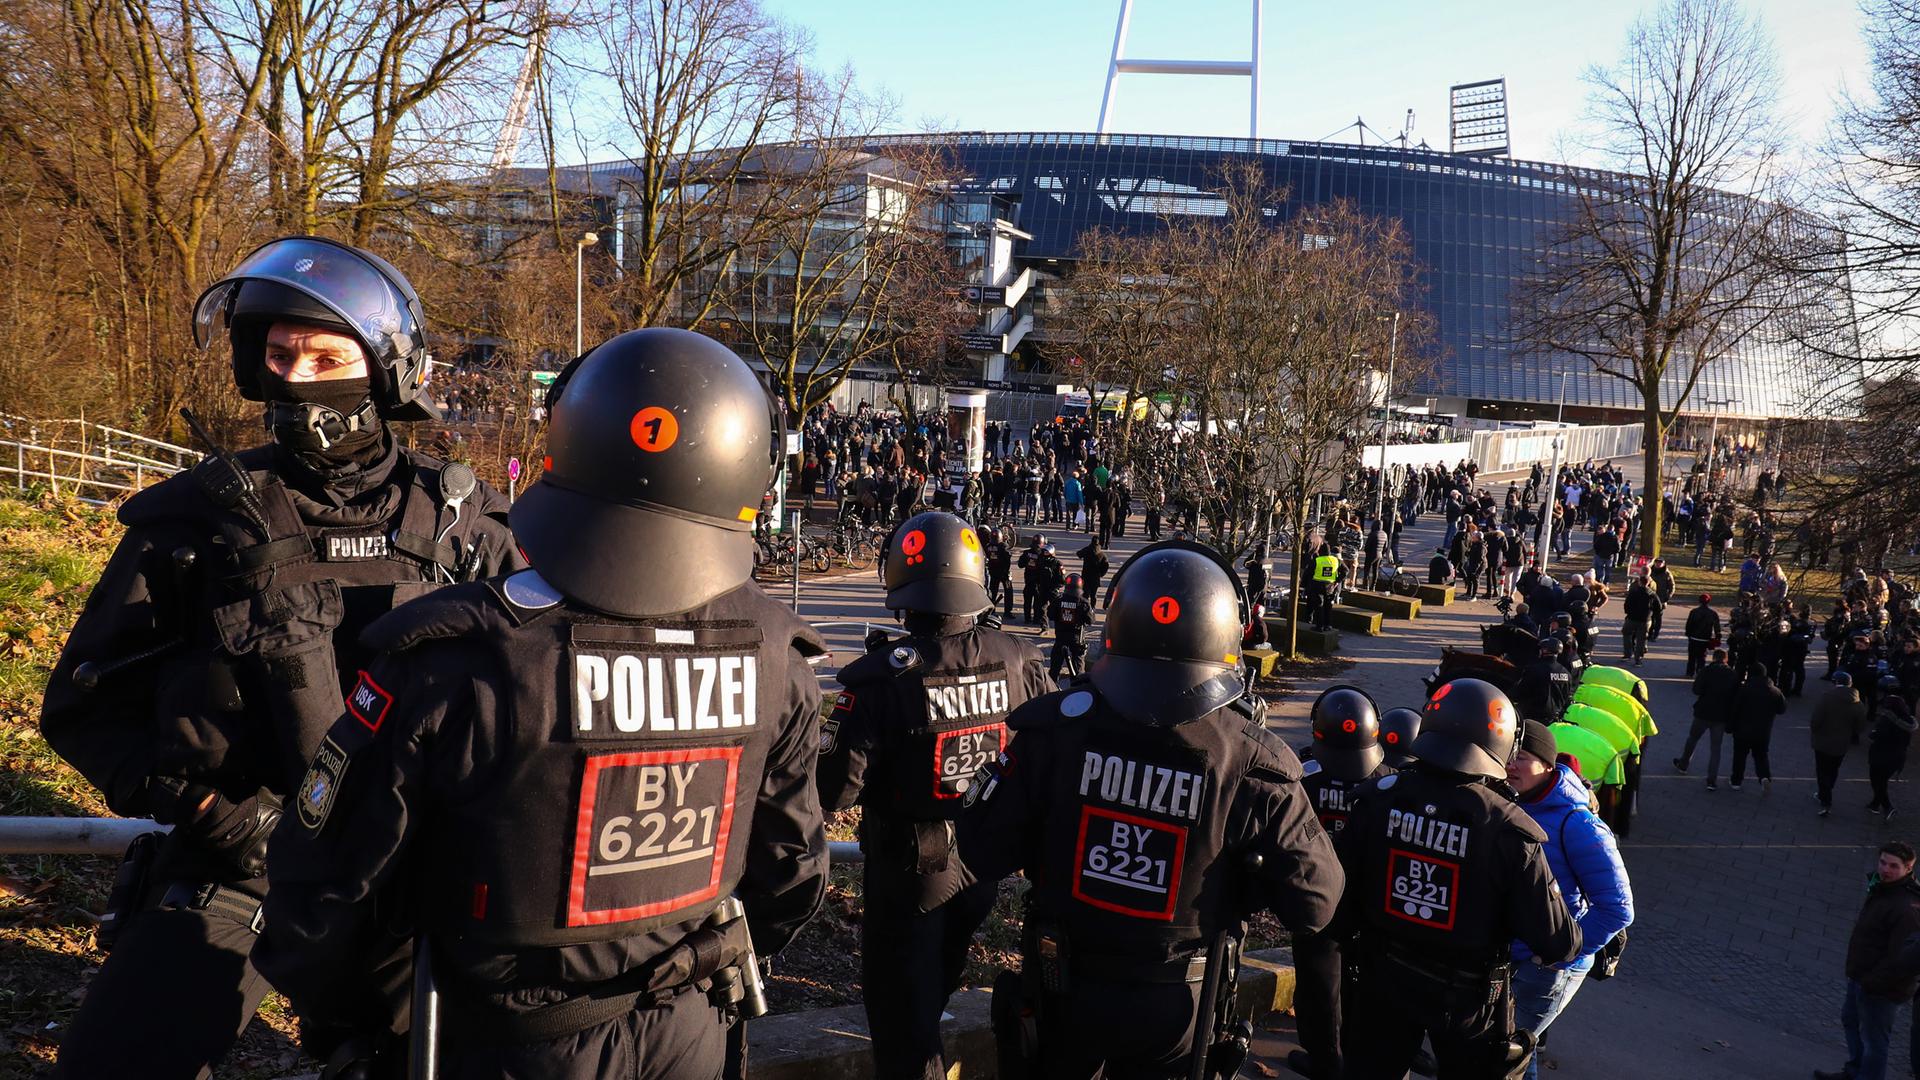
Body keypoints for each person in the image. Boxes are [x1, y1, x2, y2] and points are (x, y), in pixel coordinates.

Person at [255, 328, 828, 1078]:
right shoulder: (778, 659)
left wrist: (365, 1019)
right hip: (694, 1031)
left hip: (500, 1043)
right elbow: (791, 876)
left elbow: (321, 889)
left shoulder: (454, 659)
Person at [40, 236, 523, 1079]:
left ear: (385, 368)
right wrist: (208, 813)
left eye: (327, 355)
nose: (299, 379)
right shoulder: (195, 524)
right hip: (239, 867)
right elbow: (81, 708)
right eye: (280, 354)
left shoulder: (469, 530)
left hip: (407, 879)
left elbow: (536, 707)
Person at [960, 541, 1344, 1078]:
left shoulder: (1051, 732)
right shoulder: (1255, 764)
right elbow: (1317, 903)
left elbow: (978, 845)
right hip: (1177, 1010)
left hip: (1061, 994)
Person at [817, 510, 1052, 1080]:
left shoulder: (882, 679)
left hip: (910, 875)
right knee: (935, 985)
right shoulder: (1016, 658)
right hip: (984, 866)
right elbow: (1046, 746)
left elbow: (835, 789)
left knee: (905, 1027)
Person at [1336, 678, 1581, 1078]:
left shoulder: (1376, 799)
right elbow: (1554, 939)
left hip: (1382, 981)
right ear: (1501, 742)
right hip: (1469, 1004)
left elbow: (1338, 901)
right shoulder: (1509, 829)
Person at [1504, 721, 1634, 1080]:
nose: (1512, 764)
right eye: (1510, 755)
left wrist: (1563, 951)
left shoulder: (1575, 822)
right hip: (1516, 954)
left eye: (1523, 757)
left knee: (1510, 1049)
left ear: (1547, 765)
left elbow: (1618, 906)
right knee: (1513, 1048)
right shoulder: (1515, 800)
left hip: (1547, 966)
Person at [1288, 686, 1394, 1080]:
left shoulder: (1302, 775)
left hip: (1315, 900)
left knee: (1317, 988)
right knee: (1365, 984)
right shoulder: (1389, 782)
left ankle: (1325, 1061)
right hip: (1369, 904)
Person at [1814, 843, 1920, 1080]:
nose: (1885, 869)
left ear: (1909, 867)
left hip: (1881, 988)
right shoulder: (1885, 889)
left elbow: (1903, 959)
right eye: (1883, 862)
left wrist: (1872, 983)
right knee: (1851, 1021)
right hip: (1863, 977)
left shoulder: (1907, 908)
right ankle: (1855, 1071)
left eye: (1894, 866)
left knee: (1874, 1042)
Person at [1675, 648, 1737, 791]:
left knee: (1693, 738)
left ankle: (1683, 764)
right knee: (1716, 748)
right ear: (1726, 659)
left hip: (1703, 712)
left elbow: (1696, 690)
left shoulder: (1706, 671)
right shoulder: (1732, 674)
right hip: (1721, 716)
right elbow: (1735, 695)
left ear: (1713, 658)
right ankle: (1711, 780)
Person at [1812, 672, 1869, 816]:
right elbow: (1861, 726)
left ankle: (1825, 798)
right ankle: (1827, 790)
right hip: (1841, 743)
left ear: (1835, 683)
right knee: (1833, 769)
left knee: (1821, 770)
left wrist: (1815, 730)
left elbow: (1816, 720)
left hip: (1823, 741)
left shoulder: (1827, 698)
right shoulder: (1857, 703)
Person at [1728, 663, 1786, 793]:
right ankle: (1764, 777)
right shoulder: (1775, 691)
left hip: (1742, 730)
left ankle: (1736, 781)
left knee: (1740, 756)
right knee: (1761, 756)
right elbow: (1782, 709)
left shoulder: (1745, 689)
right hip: (1763, 731)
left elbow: (1735, 709)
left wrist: (1729, 726)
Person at [1868, 680, 1917, 821]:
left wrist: (1873, 733)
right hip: (1897, 757)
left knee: (1877, 781)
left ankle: (1888, 807)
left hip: (1881, 756)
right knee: (1882, 781)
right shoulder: (1907, 721)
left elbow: (1875, 735)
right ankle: (1875, 804)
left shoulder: (1887, 721)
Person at [1048, 575, 1096, 683]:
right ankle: (1078, 691)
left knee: (1054, 669)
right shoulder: (1083, 602)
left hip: (1060, 638)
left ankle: (1051, 689)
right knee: (1079, 671)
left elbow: (1050, 614)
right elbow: (1091, 620)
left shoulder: (1058, 600)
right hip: (1076, 639)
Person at [1685, 594, 1722, 676]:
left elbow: (1689, 624)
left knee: (1692, 656)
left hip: (1694, 638)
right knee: (1701, 657)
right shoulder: (1713, 613)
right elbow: (1717, 627)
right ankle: (1700, 672)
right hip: (1705, 639)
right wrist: (1717, 637)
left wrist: (1688, 634)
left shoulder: (1694, 612)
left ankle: (1690, 672)